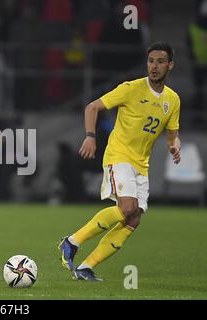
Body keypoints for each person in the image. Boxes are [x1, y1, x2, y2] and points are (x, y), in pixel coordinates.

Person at [58, 42, 181, 281]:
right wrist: (90, 137)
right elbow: (92, 107)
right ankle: (72, 242)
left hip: (141, 165)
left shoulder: (173, 100)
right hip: (119, 155)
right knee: (127, 208)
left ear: (170, 65)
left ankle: (85, 268)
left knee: (133, 218)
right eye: (151, 61)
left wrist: (175, 146)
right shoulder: (130, 88)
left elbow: (172, 135)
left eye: (160, 61)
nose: (154, 66)